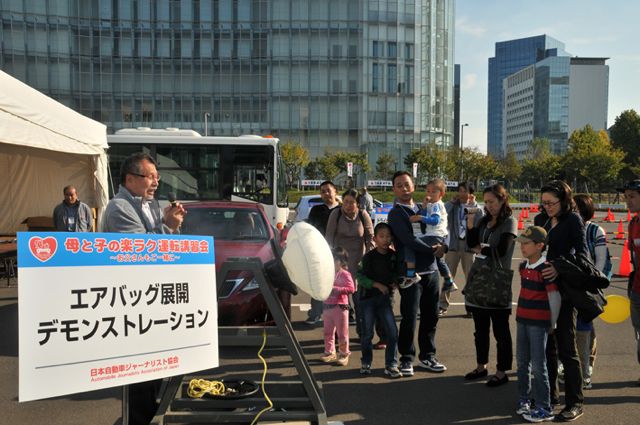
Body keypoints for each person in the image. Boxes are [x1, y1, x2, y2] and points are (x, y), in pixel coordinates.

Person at [102, 152, 185, 425]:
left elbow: (161, 242)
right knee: (138, 375)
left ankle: (150, 415)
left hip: (151, 296)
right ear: (130, 178)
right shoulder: (119, 207)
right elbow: (141, 249)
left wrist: (170, 225)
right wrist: (169, 227)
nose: (156, 182)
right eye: (150, 176)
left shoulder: (148, 204)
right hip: (132, 298)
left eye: (157, 177)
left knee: (154, 372)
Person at [534, 180, 586, 422]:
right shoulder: (540, 220)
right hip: (542, 290)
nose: (547, 207)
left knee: (567, 347)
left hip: (565, 291)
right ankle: (550, 394)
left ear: (564, 200)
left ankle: (575, 401)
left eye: (551, 203)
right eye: (543, 203)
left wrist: (558, 266)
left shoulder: (573, 220)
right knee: (546, 346)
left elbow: (582, 255)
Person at [387, 170, 447, 376]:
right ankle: (406, 358)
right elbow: (407, 240)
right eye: (399, 185)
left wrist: (443, 247)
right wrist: (433, 249)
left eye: (407, 184)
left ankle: (428, 356)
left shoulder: (426, 207)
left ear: (413, 185)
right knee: (409, 317)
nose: (404, 188)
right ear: (394, 189)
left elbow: (441, 230)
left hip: (431, 271)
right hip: (410, 274)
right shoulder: (396, 213)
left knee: (431, 316)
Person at [464, 183, 517, 387]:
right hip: (479, 278)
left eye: (492, 202)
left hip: (497, 280)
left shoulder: (509, 222)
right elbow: (470, 242)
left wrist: (480, 248)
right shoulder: (484, 220)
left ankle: (502, 371)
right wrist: (470, 223)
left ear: (503, 200)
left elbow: (502, 250)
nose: (488, 206)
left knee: (501, 330)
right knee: (480, 329)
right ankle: (481, 366)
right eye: (486, 202)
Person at [515, 226, 561, 423]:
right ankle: (525, 400)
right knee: (522, 362)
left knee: (538, 366)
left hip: (538, 323)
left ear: (540, 246)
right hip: (522, 320)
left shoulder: (546, 269)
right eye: (521, 243)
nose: (522, 247)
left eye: (526, 244)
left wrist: (553, 323)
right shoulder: (524, 267)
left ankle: (544, 407)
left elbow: (555, 297)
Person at [573, 194, 612, 389]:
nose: (572, 212)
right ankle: (572, 366)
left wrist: (590, 283)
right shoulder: (566, 227)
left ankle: (586, 370)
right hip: (570, 287)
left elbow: (601, 261)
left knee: (584, 327)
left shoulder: (595, 230)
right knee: (572, 328)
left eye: (575, 209)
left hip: (588, 287)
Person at [326, 188, 375, 336]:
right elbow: (328, 238)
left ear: (358, 204)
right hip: (339, 265)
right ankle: (336, 337)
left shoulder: (363, 215)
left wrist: (369, 260)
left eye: (351, 202)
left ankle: (363, 334)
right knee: (338, 304)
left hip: (358, 265)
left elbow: (370, 238)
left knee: (360, 303)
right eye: (345, 202)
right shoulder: (336, 214)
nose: (347, 205)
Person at [357, 222, 401, 378]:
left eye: (388, 236)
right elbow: (360, 277)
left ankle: (391, 365)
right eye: (381, 236)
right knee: (367, 334)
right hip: (367, 300)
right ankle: (366, 362)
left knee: (392, 333)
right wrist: (376, 284)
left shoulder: (394, 256)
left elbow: (396, 273)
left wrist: (395, 281)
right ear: (375, 238)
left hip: (385, 301)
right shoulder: (369, 257)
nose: (385, 239)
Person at [439, 181, 484, 316]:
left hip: (469, 246)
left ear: (471, 193)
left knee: (470, 277)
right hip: (453, 244)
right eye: (460, 190)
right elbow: (443, 213)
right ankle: (442, 304)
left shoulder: (477, 208)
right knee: (448, 276)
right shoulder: (454, 206)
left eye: (465, 191)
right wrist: (452, 202)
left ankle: (470, 306)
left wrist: (474, 206)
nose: (461, 193)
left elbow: (481, 223)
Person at [404, 179, 453, 292]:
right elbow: (427, 216)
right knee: (438, 258)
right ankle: (449, 280)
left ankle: (411, 275)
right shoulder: (433, 205)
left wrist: (419, 217)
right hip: (437, 236)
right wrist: (425, 207)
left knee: (410, 245)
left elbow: (435, 220)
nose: (429, 194)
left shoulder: (436, 205)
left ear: (441, 194)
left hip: (434, 235)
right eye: (428, 191)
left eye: (433, 192)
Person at [305, 180, 341, 326]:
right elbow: (310, 230)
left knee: (340, 283)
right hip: (320, 251)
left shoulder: (343, 209)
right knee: (318, 282)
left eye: (328, 190)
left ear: (335, 191)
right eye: (323, 191)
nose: (326, 193)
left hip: (339, 252)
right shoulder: (316, 210)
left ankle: (347, 312)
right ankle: (315, 313)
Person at [618, 179, 640, 386]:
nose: (627, 201)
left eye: (632, 196)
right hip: (636, 289)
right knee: (639, 334)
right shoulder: (633, 223)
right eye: (626, 197)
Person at [320, 247, 356, 367]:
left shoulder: (345, 274)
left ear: (341, 261)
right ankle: (329, 352)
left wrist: (336, 289)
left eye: (335, 260)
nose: (332, 263)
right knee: (327, 332)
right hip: (327, 306)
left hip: (341, 307)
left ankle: (344, 354)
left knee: (342, 333)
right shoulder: (327, 273)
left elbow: (352, 288)